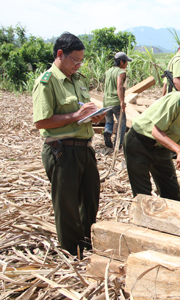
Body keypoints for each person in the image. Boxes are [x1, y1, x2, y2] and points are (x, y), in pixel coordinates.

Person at [32, 32, 106, 258]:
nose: (78, 65)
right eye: (75, 60)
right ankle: (72, 252)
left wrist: (94, 117)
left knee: (90, 198)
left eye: (81, 61)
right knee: (67, 205)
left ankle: (87, 243)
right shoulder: (47, 82)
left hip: (84, 147)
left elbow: (82, 112)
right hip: (62, 150)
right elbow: (42, 121)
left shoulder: (78, 80)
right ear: (60, 54)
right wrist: (76, 115)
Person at [103, 52, 132, 148]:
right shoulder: (121, 72)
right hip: (115, 102)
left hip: (106, 102)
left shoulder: (108, 71)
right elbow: (119, 86)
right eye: (126, 62)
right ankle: (118, 144)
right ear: (121, 62)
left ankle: (107, 132)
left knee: (109, 121)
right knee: (122, 123)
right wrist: (121, 102)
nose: (126, 64)